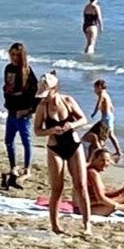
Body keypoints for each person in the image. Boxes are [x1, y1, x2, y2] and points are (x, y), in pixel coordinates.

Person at [32, 71, 91, 235]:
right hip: (55, 147)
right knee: (57, 188)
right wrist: (51, 130)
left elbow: (83, 119)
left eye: (46, 93)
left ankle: (87, 225)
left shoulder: (67, 101)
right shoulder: (42, 108)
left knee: (81, 185)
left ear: (54, 89)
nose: (44, 97)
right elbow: (37, 130)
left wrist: (70, 126)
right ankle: (55, 224)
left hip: (73, 144)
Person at [2, 42, 38, 189]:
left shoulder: (27, 71)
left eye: (17, 55)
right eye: (12, 54)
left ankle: (27, 168)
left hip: (23, 113)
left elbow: (36, 93)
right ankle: (13, 166)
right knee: (8, 140)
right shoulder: (8, 68)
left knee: (25, 140)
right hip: (11, 110)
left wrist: (29, 110)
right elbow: (8, 88)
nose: (14, 58)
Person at [83, 79, 123, 161]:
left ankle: (101, 152)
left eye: (95, 88)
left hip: (106, 118)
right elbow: (112, 107)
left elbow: (98, 104)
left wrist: (94, 113)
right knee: (111, 135)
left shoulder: (102, 94)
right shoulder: (107, 95)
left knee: (102, 136)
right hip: (110, 116)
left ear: (100, 87)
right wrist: (110, 116)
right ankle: (118, 151)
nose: (94, 91)